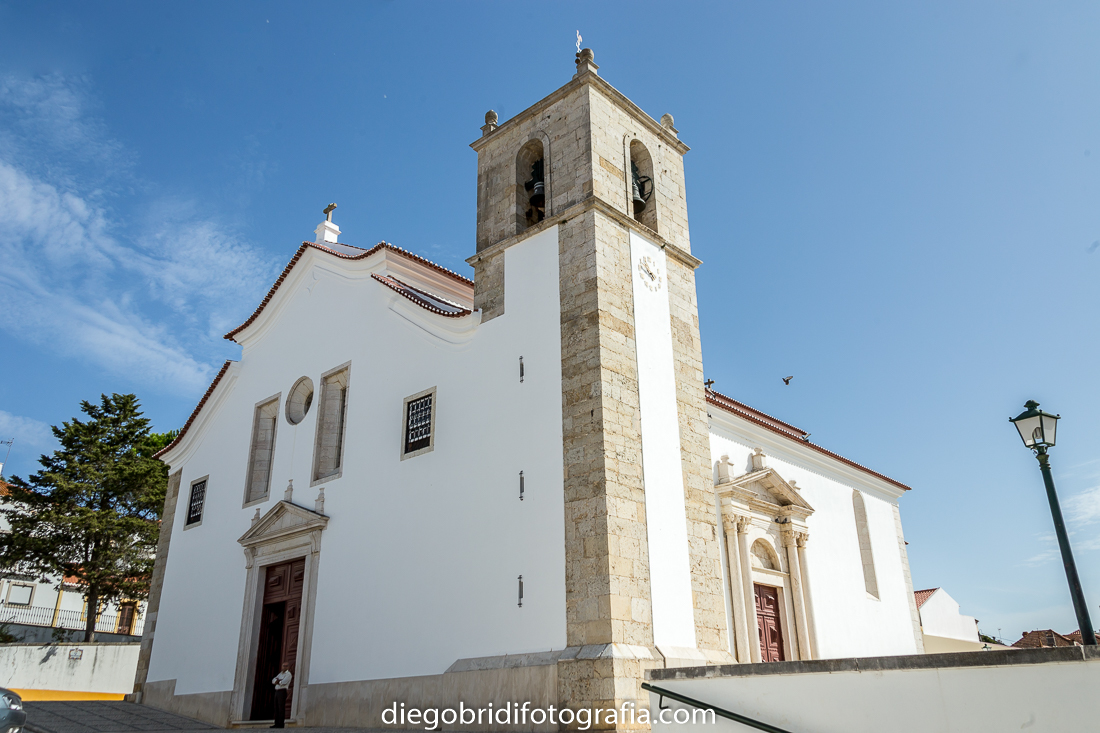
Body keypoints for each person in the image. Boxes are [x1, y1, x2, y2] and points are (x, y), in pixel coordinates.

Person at [271, 662, 292, 728]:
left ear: (288, 667)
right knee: (276, 707)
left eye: (286, 666)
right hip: (277, 691)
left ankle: (281, 724)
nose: (284, 667)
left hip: (282, 691)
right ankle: (276, 723)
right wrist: (277, 681)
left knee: (281, 708)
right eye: (283, 666)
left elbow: (283, 682)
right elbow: (273, 680)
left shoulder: (288, 674)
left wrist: (278, 681)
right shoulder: (280, 674)